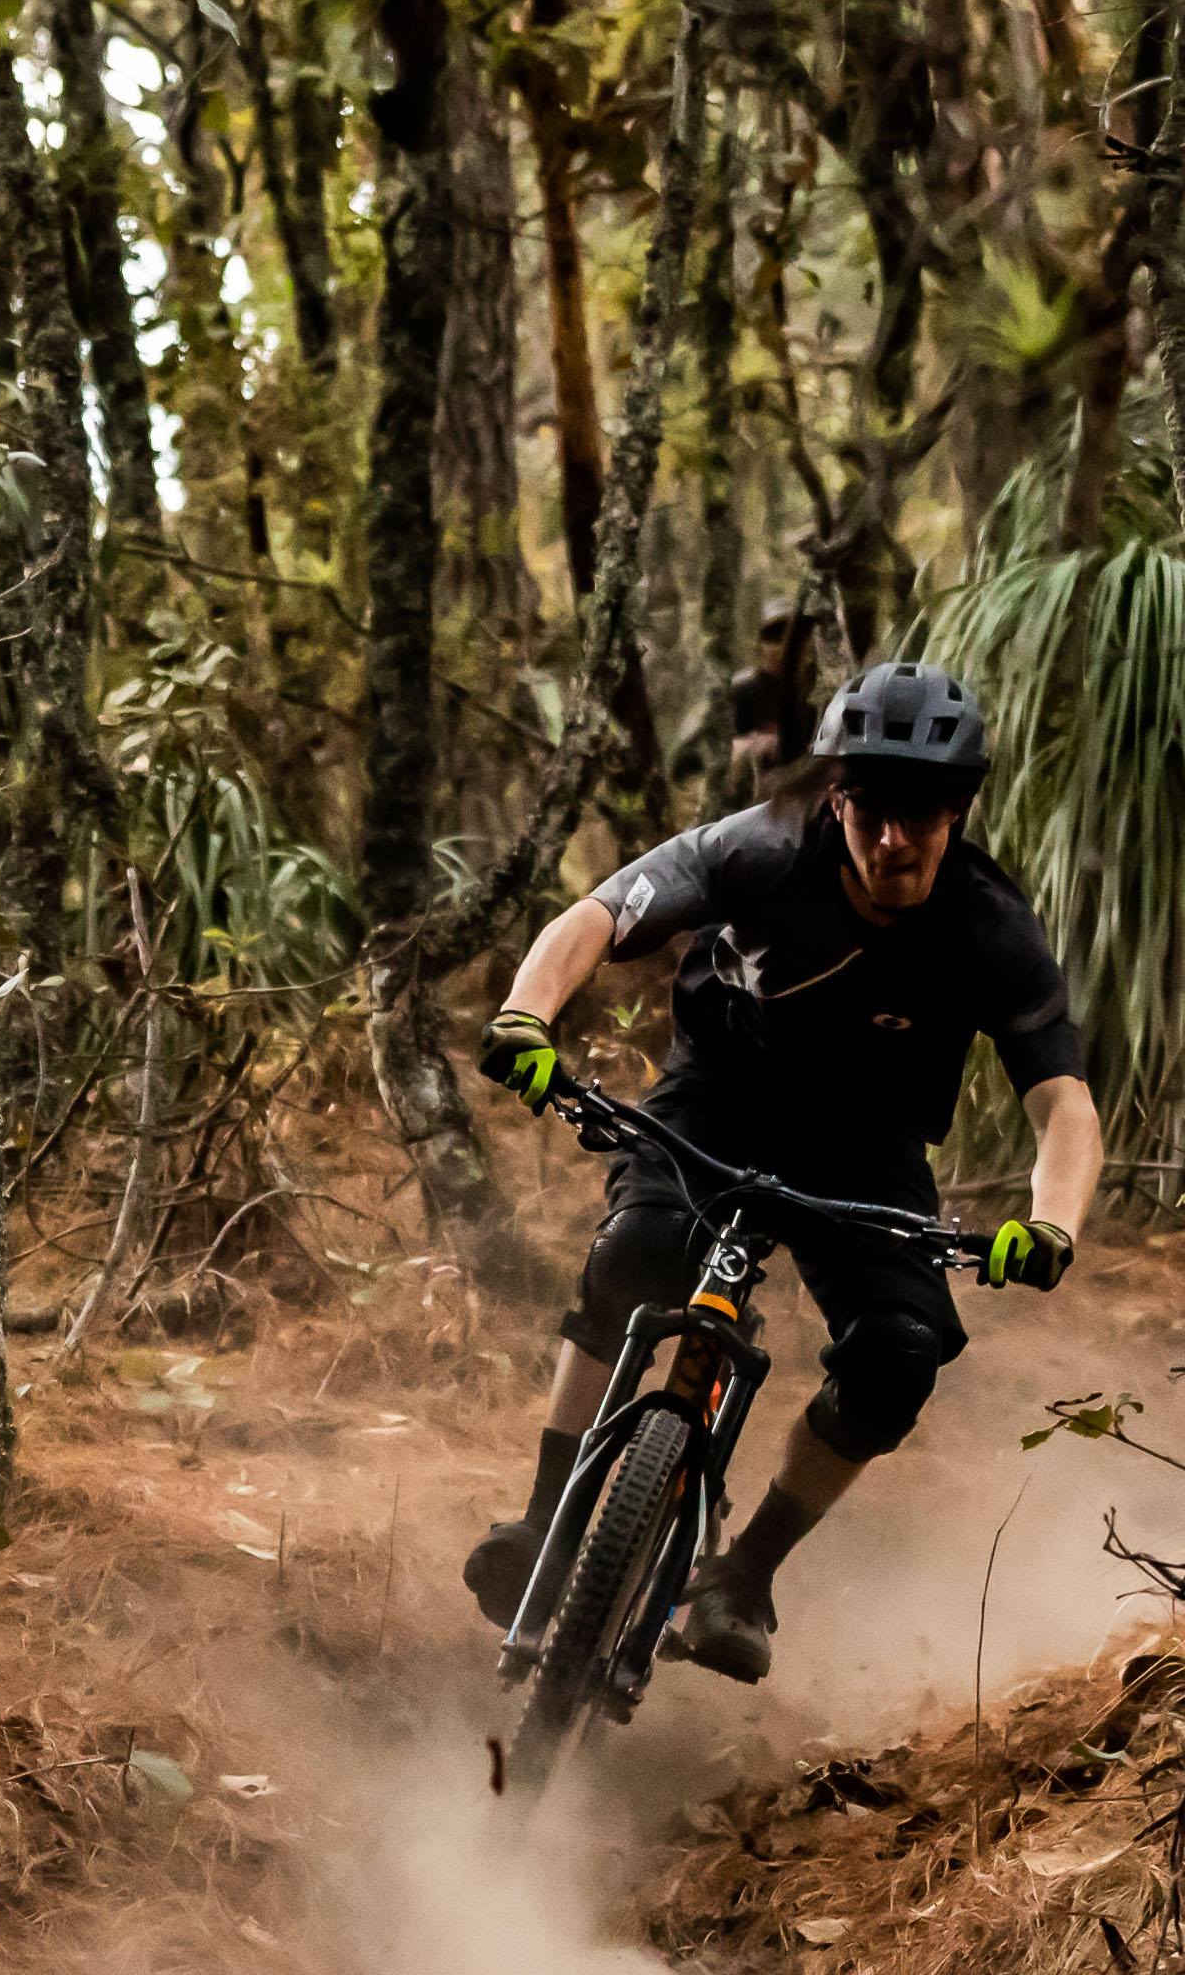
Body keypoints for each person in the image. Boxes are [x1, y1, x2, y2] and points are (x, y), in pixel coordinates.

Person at [463, 660, 1104, 1681]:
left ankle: (743, 1576)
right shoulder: (759, 849)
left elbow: (1062, 1100)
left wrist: (1054, 1222)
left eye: (924, 814)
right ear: (837, 798)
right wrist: (524, 1015)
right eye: (872, 811)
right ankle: (546, 1520)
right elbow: (599, 914)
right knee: (637, 1250)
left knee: (898, 1353)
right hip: (718, 1098)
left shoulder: (990, 928)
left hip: (870, 1144)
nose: (895, 839)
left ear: (959, 810)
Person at [700, 599, 833, 801]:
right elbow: (716, 755)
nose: (776, 647)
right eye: (770, 637)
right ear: (760, 644)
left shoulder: (815, 695)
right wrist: (754, 745)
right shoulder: (743, 692)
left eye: (784, 638)